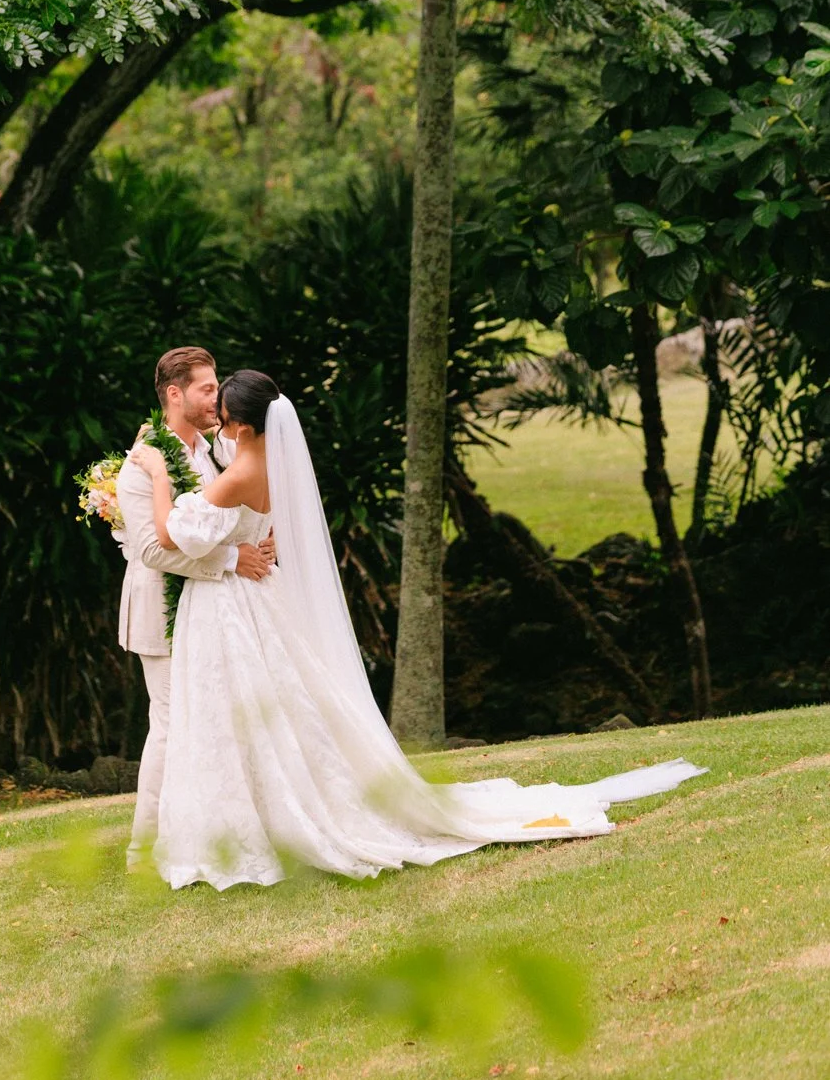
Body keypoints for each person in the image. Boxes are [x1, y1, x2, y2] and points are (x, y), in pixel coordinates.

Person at [130, 369, 704, 891]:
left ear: (245, 423)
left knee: (235, 718)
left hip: (233, 609)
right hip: (251, 602)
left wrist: (157, 474)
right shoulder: (267, 468)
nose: (220, 423)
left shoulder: (240, 472)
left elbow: (172, 533)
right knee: (259, 716)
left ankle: (247, 829)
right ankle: (251, 818)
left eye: (227, 415)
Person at [115, 346, 275, 864]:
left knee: (220, 719)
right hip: (161, 612)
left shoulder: (218, 451)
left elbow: (240, 506)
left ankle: (218, 831)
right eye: (207, 388)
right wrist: (233, 559)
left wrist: (259, 545)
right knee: (168, 723)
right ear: (174, 394)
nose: (216, 397)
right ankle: (144, 846)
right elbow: (150, 549)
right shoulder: (143, 464)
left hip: (218, 613)